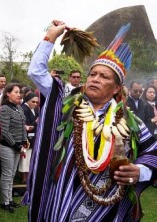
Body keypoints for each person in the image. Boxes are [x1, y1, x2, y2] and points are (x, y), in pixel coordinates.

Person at [24, 20, 157, 221]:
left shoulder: (130, 122)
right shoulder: (68, 106)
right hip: (61, 199)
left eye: (104, 76)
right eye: (92, 74)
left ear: (115, 89)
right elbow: (36, 71)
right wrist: (50, 36)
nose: (95, 79)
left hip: (105, 207)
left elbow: (153, 151)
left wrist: (141, 171)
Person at [0, 83, 28, 213]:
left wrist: (24, 140)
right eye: (16, 92)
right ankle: (5, 202)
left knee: (11, 174)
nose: (19, 94)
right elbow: (5, 131)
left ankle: (10, 199)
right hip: (7, 146)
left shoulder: (18, 108)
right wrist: (15, 145)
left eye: (19, 92)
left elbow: (23, 125)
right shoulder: (5, 108)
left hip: (17, 146)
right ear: (7, 94)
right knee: (7, 174)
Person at [19, 92, 39, 184]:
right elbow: (25, 125)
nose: (35, 104)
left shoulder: (35, 109)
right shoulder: (23, 109)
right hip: (25, 137)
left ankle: (28, 176)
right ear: (28, 101)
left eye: (36, 102)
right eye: (33, 102)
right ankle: (23, 178)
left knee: (30, 158)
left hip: (33, 137)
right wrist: (36, 122)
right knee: (24, 158)